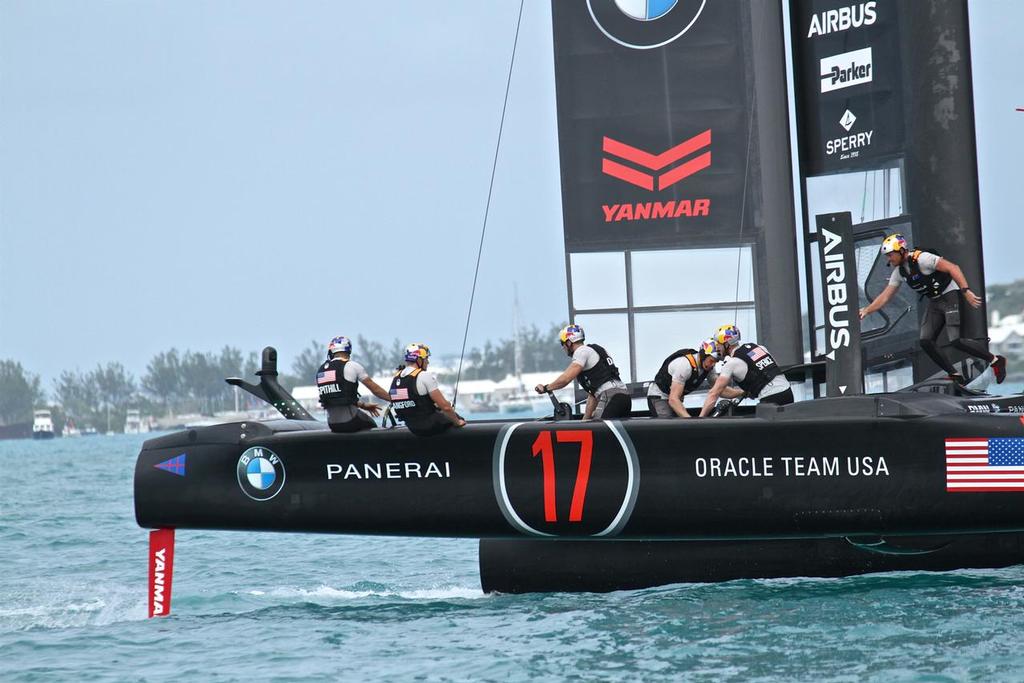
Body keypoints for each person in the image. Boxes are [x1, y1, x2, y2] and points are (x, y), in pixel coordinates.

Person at [858, 234, 1006, 384]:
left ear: (901, 250)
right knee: (925, 341)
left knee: (956, 340)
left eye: (890, 255)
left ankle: (995, 361)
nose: (889, 259)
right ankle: (955, 375)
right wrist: (867, 310)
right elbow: (885, 296)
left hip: (949, 296)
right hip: (935, 302)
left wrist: (966, 291)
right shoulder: (899, 272)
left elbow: (953, 268)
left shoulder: (923, 258)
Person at [533, 324, 631, 420]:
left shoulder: (580, 352)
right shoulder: (596, 350)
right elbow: (593, 395)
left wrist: (546, 388)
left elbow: (565, 379)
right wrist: (584, 421)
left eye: (563, 344)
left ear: (569, 343)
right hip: (625, 397)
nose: (563, 348)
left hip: (610, 397)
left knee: (597, 433)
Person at [699, 324, 793, 417]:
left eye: (718, 344)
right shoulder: (759, 348)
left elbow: (714, 393)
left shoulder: (731, 363)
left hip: (771, 399)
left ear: (727, 344)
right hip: (788, 392)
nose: (717, 347)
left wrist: (699, 420)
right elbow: (774, 369)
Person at [317, 336, 393, 434]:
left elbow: (338, 397)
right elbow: (375, 390)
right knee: (373, 425)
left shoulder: (321, 370)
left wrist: (364, 405)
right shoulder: (352, 366)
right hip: (350, 421)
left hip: (332, 424)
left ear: (332, 351)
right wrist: (396, 400)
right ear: (349, 351)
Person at [389, 342, 466, 436]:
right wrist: (458, 422)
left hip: (412, 427)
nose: (428, 362)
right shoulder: (424, 376)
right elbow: (445, 407)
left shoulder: (396, 377)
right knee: (456, 417)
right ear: (419, 360)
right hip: (429, 426)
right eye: (426, 359)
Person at [647, 339, 720, 418]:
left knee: (679, 425)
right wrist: (691, 422)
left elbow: (720, 388)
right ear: (703, 356)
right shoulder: (685, 365)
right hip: (659, 396)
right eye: (711, 361)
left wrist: (735, 393)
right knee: (668, 426)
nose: (713, 365)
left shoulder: (708, 367)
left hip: (675, 398)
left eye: (715, 362)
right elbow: (673, 399)